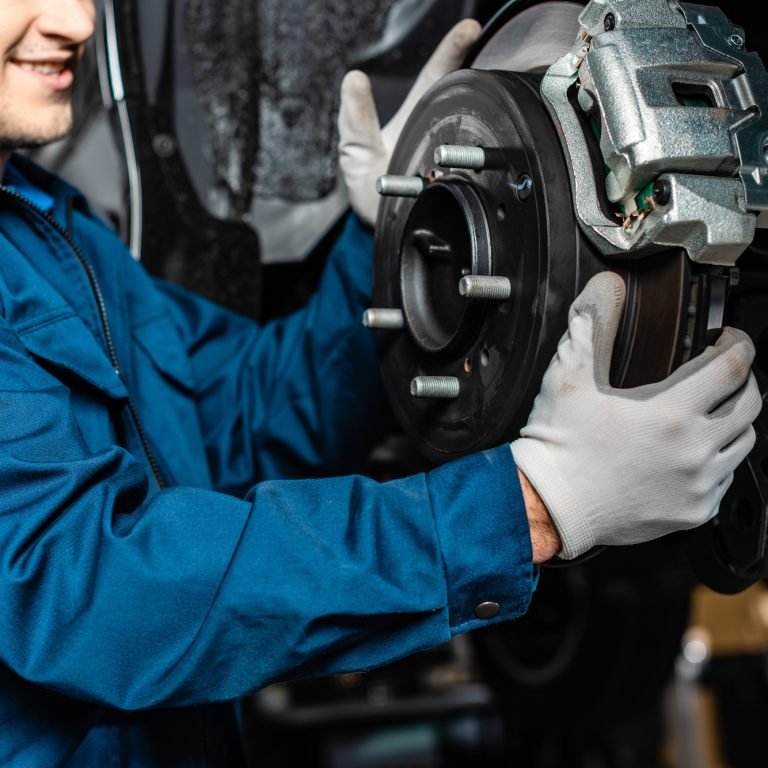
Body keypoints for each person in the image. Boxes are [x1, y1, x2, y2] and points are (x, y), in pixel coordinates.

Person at [0, 2, 760, 765]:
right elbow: (92, 593)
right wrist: (529, 506)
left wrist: (385, 244)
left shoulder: (39, 224)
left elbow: (235, 423)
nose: (76, 21)